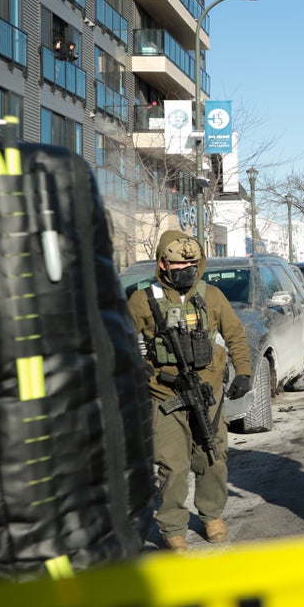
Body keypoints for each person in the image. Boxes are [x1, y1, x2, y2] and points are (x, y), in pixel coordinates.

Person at [128, 230, 251, 553]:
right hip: (163, 394)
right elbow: (120, 342)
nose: (187, 269)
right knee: (172, 464)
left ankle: (212, 515)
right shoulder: (143, 299)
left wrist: (245, 372)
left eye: (192, 264)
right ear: (163, 264)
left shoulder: (212, 296)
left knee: (212, 455)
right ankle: (172, 527)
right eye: (179, 264)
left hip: (207, 392)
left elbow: (236, 335)